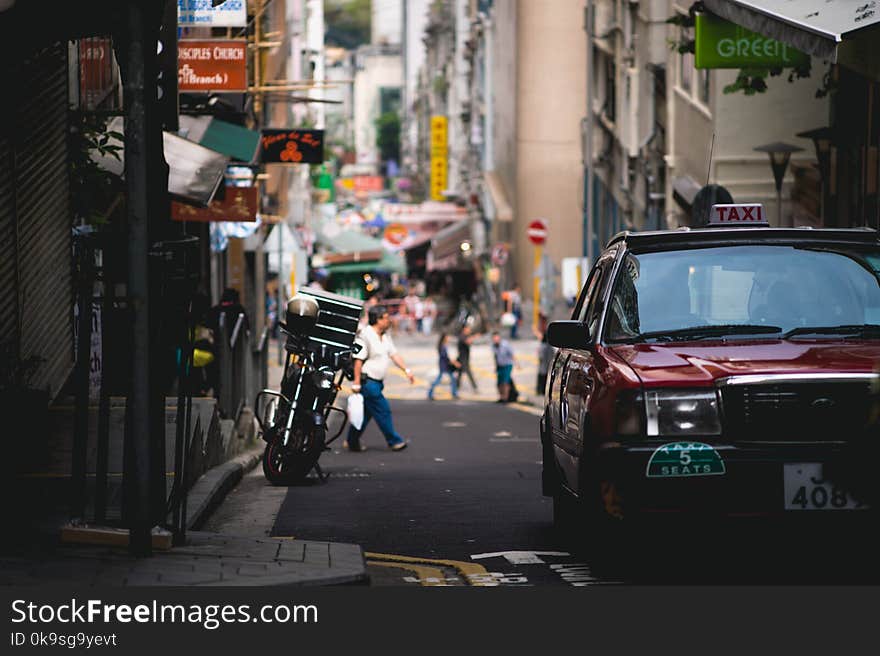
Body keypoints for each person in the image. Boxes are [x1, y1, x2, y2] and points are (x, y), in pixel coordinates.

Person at [344, 305, 416, 452]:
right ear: (377, 319)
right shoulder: (365, 335)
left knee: (364, 415)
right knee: (383, 410)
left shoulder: (385, 336)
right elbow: (358, 360)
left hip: (378, 382)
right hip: (368, 382)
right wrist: (356, 382)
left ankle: (352, 440)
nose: (388, 320)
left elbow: (394, 354)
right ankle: (394, 441)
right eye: (385, 318)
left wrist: (406, 370)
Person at [428, 333, 460, 400]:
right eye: (447, 337)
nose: (448, 338)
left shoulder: (443, 345)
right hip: (444, 365)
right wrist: (454, 362)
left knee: (453, 379)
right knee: (438, 380)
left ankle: (454, 393)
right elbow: (445, 357)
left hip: (445, 365)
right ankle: (430, 393)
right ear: (444, 338)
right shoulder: (442, 346)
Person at [492, 331, 517, 403]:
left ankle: (506, 398)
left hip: (507, 365)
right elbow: (495, 356)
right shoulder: (493, 346)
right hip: (500, 366)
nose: (495, 339)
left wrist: (517, 364)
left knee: (505, 382)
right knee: (499, 382)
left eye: (496, 338)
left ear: (499, 338)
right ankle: (501, 397)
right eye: (494, 338)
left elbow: (512, 354)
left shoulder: (505, 345)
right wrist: (496, 366)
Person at [534, 312, 553, 396]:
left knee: (544, 370)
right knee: (543, 370)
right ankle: (541, 390)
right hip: (545, 349)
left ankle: (542, 389)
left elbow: (541, 336)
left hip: (546, 349)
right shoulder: (543, 326)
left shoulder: (545, 327)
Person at [455, 325, 479, 391]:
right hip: (463, 359)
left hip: (463, 358)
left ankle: (457, 386)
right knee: (468, 372)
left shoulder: (465, 336)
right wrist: (474, 336)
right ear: (464, 329)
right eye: (468, 329)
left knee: (460, 373)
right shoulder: (462, 336)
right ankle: (475, 387)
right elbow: (468, 341)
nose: (469, 330)